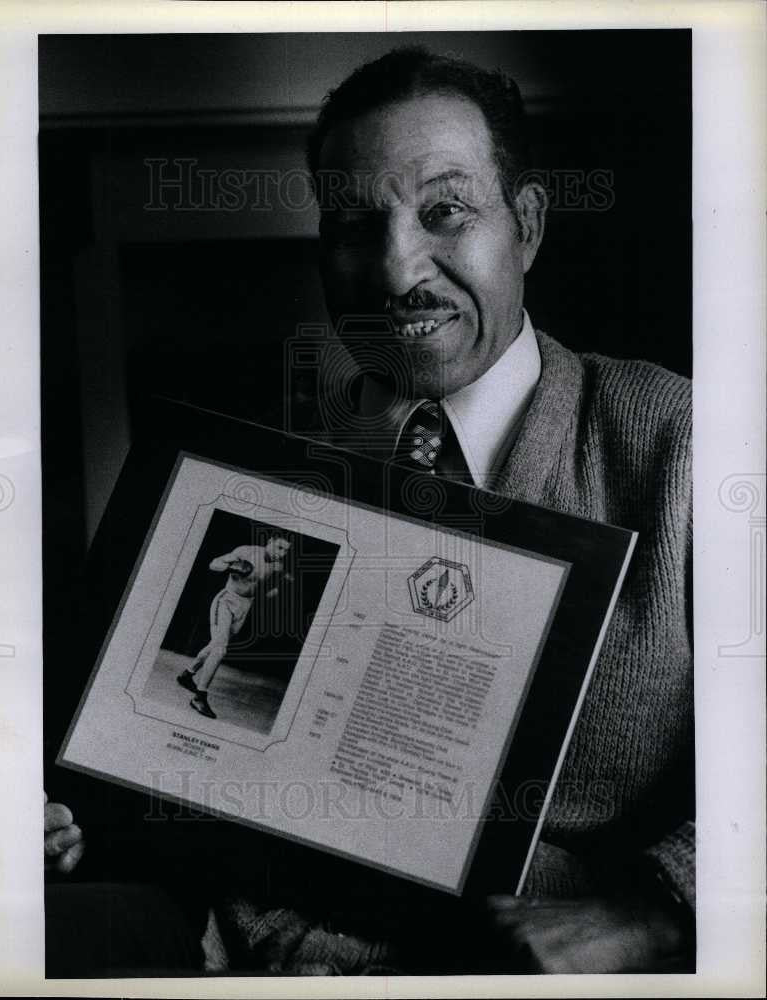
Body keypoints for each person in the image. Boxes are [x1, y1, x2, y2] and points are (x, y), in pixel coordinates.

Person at [46, 46, 693, 974]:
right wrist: (78, 821)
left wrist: (654, 913)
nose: (396, 271)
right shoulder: (246, 467)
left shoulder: (685, 449)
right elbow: (181, 765)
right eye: (354, 223)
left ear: (529, 226)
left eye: (445, 212)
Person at [177, 535, 293, 719]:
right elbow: (213, 564)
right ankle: (200, 696)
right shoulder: (246, 551)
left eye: (286, 550)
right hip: (226, 601)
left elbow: (265, 591)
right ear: (269, 542)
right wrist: (229, 565)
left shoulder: (278, 567)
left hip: (245, 607)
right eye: (279, 547)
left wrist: (279, 588)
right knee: (220, 649)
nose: (282, 553)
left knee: (214, 645)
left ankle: (187, 675)